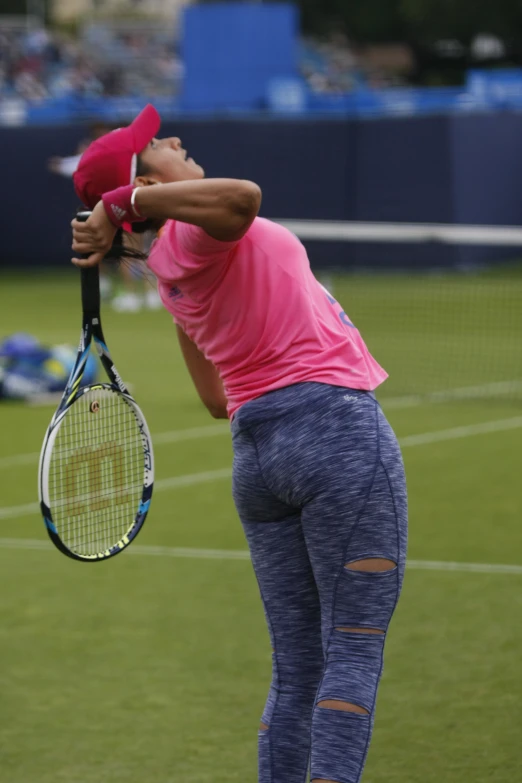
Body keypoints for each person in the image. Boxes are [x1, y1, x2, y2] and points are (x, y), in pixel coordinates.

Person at [71, 104, 408, 783]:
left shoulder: (169, 271)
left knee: (298, 669)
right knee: (353, 650)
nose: (173, 138)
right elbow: (243, 197)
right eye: (154, 146)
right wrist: (125, 201)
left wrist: (128, 204)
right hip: (334, 432)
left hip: (259, 456)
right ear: (139, 180)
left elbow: (216, 398)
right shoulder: (198, 238)